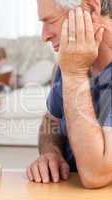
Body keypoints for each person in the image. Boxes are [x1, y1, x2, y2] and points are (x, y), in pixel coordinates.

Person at [27, 0, 112, 188]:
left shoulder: (73, 65)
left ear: (89, 9)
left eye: (50, 21)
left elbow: (96, 175)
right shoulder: (69, 60)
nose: (44, 36)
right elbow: (52, 119)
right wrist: (51, 151)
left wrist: (75, 74)